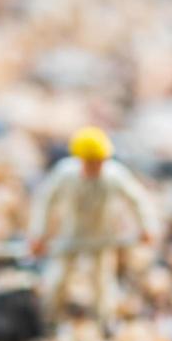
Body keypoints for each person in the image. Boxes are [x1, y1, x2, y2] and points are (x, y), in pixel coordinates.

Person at [28, 126, 157, 325]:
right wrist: (39, 235)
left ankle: (105, 321)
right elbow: (46, 201)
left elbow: (137, 200)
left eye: (99, 161)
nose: (96, 166)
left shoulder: (114, 176)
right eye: (91, 162)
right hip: (71, 234)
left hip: (102, 235)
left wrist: (146, 227)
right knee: (59, 278)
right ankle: (49, 318)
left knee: (102, 282)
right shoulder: (66, 174)